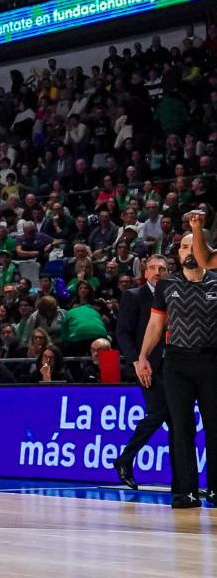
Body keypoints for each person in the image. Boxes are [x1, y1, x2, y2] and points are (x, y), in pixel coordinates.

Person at [136, 212, 217, 508]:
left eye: (192, 245)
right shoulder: (167, 286)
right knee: (181, 429)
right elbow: (156, 324)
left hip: (212, 362)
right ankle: (186, 491)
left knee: (215, 428)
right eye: (183, 247)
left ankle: (215, 490)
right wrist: (143, 356)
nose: (187, 251)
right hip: (177, 363)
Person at [114, 255, 171, 488]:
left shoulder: (173, 294)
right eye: (153, 268)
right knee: (158, 413)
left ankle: (183, 481)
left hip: (175, 366)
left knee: (174, 421)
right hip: (147, 367)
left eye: (162, 269)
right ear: (145, 272)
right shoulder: (134, 295)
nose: (158, 272)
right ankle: (125, 459)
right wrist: (137, 361)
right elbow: (123, 333)